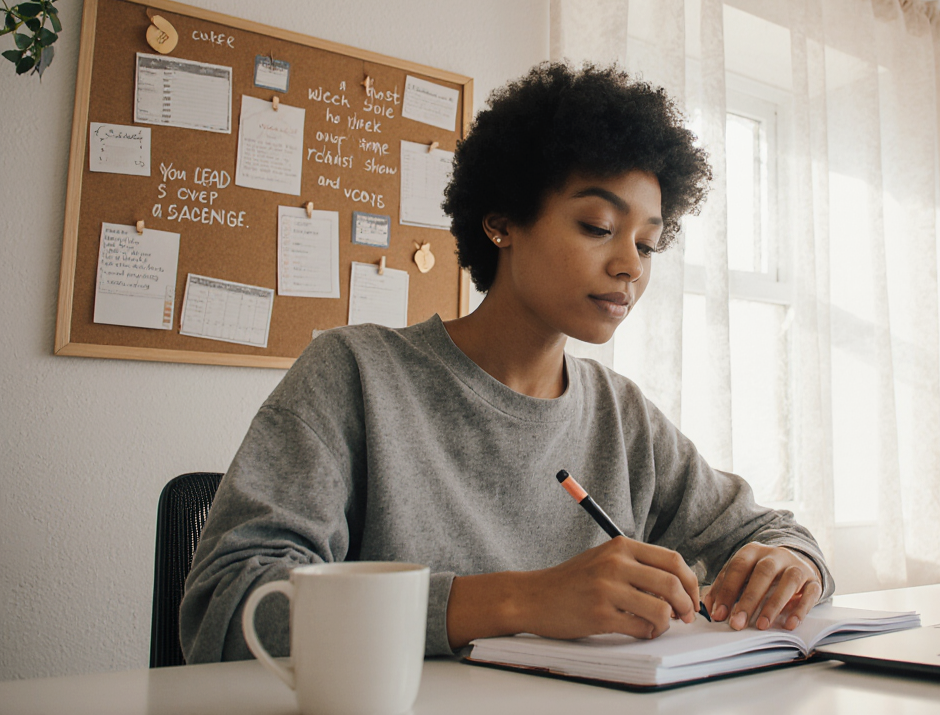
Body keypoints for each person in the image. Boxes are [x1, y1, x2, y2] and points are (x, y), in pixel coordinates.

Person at [181, 62, 832, 663]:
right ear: (502, 223)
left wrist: (790, 563)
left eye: (649, 243)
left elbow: (774, 533)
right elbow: (227, 609)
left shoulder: (621, 414)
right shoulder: (355, 374)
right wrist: (520, 601)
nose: (630, 266)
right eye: (599, 227)